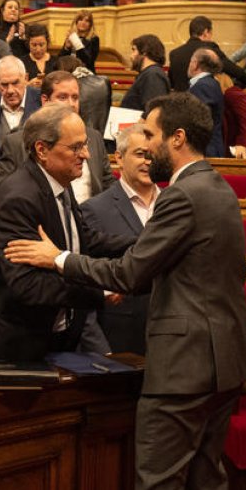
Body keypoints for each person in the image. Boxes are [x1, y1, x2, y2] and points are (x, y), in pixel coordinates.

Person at [4, 92, 246, 490]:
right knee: (205, 477)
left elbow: (130, 274)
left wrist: (58, 258)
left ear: (177, 138)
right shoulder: (217, 187)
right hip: (224, 360)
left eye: (150, 132)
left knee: (159, 481)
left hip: (185, 367)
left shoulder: (182, 194)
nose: (144, 142)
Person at [0, 104, 135, 361]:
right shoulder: (19, 198)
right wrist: (100, 291)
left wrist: (141, 243)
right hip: (16, 350)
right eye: (76, 147)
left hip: (56, 338)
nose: (87, 155)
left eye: (85, 145)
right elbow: (28, 284)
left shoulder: (58, 182)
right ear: (42, 150)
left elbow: (81, 239)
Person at [0, 71, 116, 213]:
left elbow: (108, 185)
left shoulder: (94, 137)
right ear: (45, 101)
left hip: (92, 224)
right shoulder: (16, 143)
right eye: (63, 97)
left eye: (75, 98)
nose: (71, 104)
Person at [79, 125, 158, 354]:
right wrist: (101, 351)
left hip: (168, 343)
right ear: (119, 159)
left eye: (152, 155)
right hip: (119, 341)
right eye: (141, 154)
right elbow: (83, 285)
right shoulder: (93, 210)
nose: (148, 162)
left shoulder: (174, 203)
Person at [0, 56, 40, 188]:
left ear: (26, 78)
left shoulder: (42, 102)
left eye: (16, 83)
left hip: (35, 188)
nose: (10, 90)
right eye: (4, 85)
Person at [168, 16, 246, 92]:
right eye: (211, 33)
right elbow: (238, 73)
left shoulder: (174, 54)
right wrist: (237, 87)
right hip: (203, 104)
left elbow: (171, 83)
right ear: (206, 32)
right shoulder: (210, 49)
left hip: (179, 104)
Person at [187, 49, 227, 158]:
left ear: (195, 64)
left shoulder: (203, 86)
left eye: (191, 61)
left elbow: (198, 121)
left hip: (206, 151)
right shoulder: (210, 83)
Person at [120, 33, 170, 112]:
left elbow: (153, 111)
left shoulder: (153, 75)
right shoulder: (149, 74)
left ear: (144, 52)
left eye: (134, 50)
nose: (131, 56)